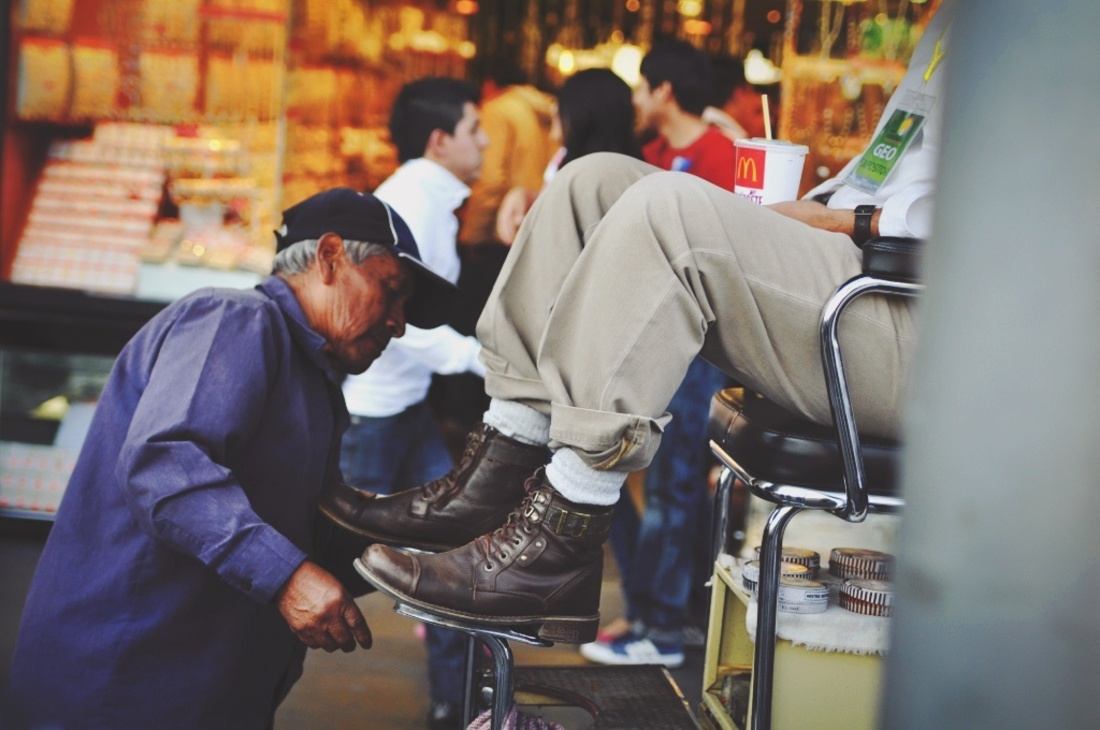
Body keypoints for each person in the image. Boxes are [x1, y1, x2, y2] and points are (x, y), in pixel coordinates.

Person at [323, 0, 949, 643]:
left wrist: (854, 222)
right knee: (588, 182)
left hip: (921, 316)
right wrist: (816, 210)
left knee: (665, 207)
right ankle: (496, 472)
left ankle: (563, 538)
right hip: (857, 270)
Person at [7, 188, 457, 728]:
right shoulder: (236, 319)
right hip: (122, 684)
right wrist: (288, 577)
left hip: (201, 690)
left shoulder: (314, 383)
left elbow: (306, 531)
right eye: (391, 291)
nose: (398, 322)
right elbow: (166, 463)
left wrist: (435, 545)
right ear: (330, 257)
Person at [336, 76, 487, 730]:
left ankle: (456, 704)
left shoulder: (433, 199)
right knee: (323, 571)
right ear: (439, 139)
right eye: (474, 130)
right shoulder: (407, 204)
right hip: (372, 415)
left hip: (402, 408)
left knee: (447, 555)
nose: (484, 142)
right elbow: (399, 314)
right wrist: (480, 360)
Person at [496, 67, 641, 246]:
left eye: (559, 114)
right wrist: (525, 196)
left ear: (581, 117)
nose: (553, 134)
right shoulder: (564, 156)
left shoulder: (606, 181)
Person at [632, 39, 737, 190]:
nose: (635, 99)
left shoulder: (721, 155)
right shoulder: (651, 153)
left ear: (663, 90)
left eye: (640, 88)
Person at [704, 54, 774, 141]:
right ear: (739, 92)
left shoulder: (696, 130)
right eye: (758, 111)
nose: (769, 122)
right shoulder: (732, 143)